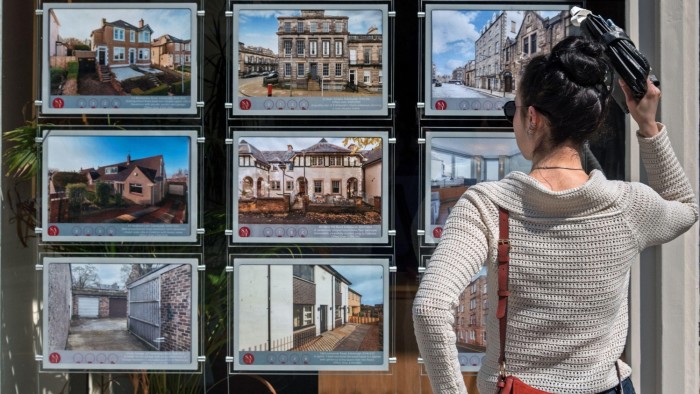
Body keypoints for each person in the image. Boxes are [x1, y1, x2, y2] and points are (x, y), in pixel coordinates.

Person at [412, 35, 698, 394]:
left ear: (532, 118)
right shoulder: (627, 204)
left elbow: (430, 309)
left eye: (511, 110)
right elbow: (686, 207)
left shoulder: (486, 204)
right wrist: (648, 126)